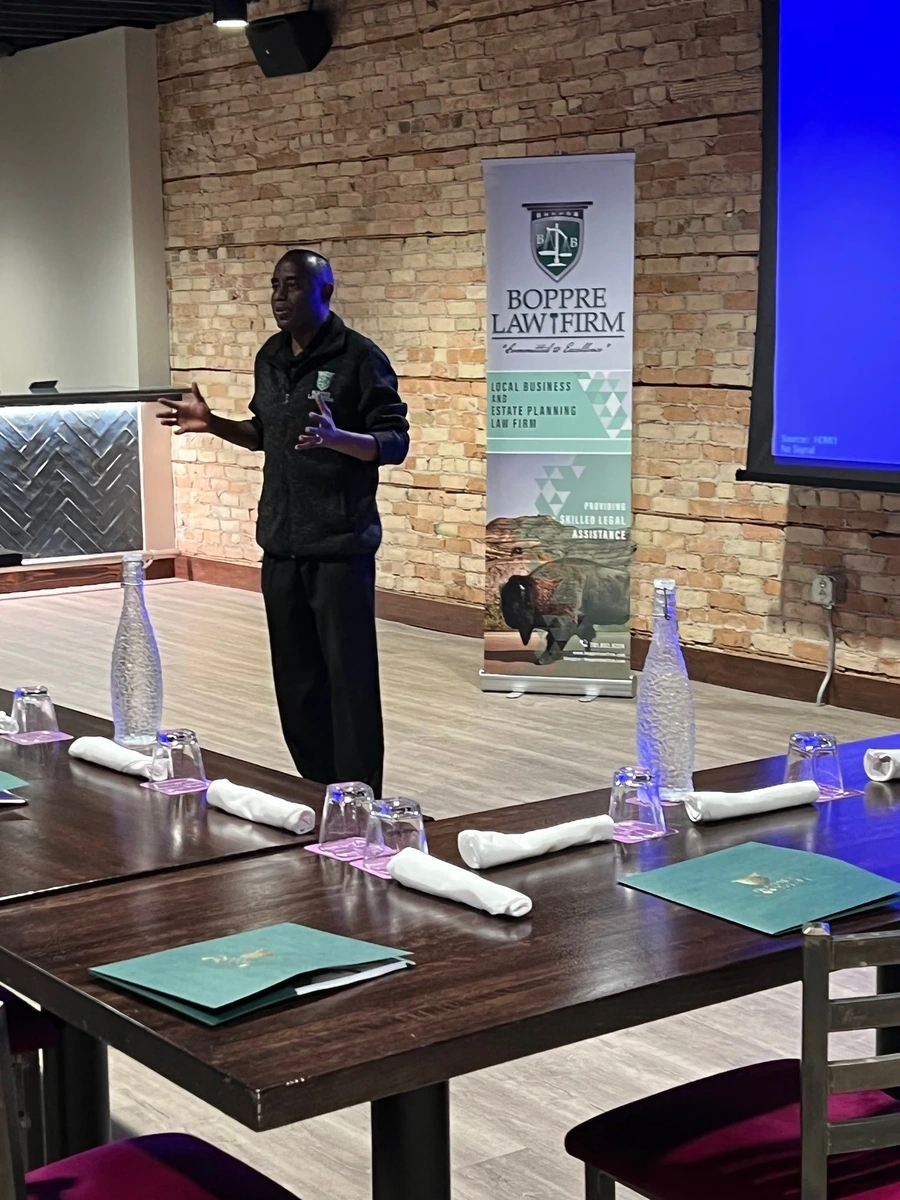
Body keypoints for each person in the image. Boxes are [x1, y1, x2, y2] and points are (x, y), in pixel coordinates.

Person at [158, 249, 409, 797]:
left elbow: (395, 441)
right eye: (275, 286)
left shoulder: (359, 358)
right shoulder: (270, 356)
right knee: (296, 684)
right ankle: (317, 790)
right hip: (281, 544)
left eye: (293, 286)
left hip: (340, 547)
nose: (279, 296)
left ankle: (361, 797)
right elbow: (263, 433)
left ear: (326, 292)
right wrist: (213, 424)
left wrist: (343, 440)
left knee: (348, 682)